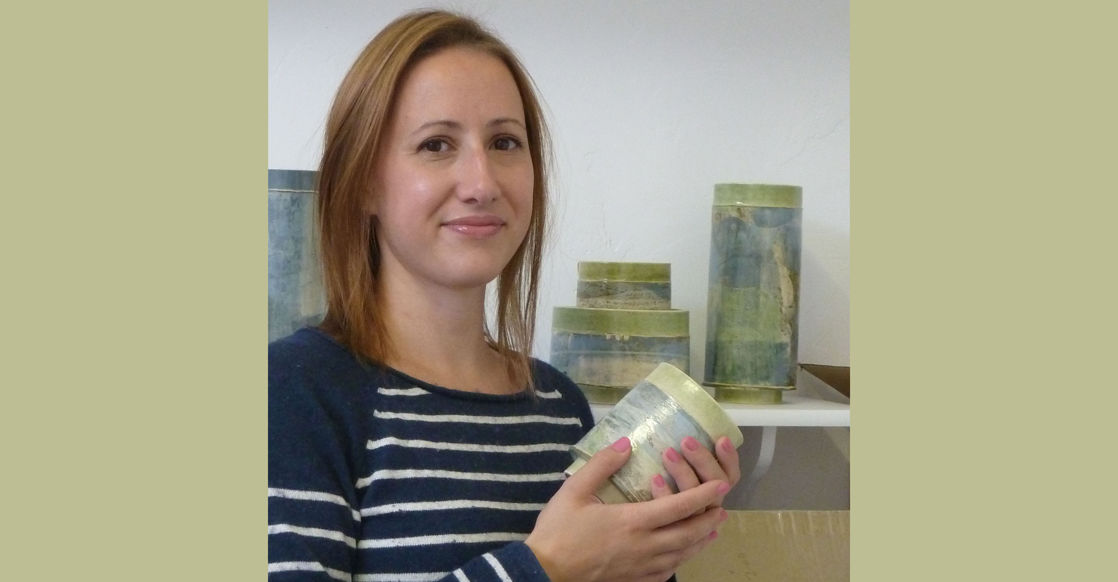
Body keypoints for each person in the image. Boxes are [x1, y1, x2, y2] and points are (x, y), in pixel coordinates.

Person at [268, 10, 741, 582]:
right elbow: (555, 567)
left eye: (505, 143)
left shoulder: (558, 405)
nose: (482, 183)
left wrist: (650, 549)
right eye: (436, 144)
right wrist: (549, 566)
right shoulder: (292, 394)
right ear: (364, 181)